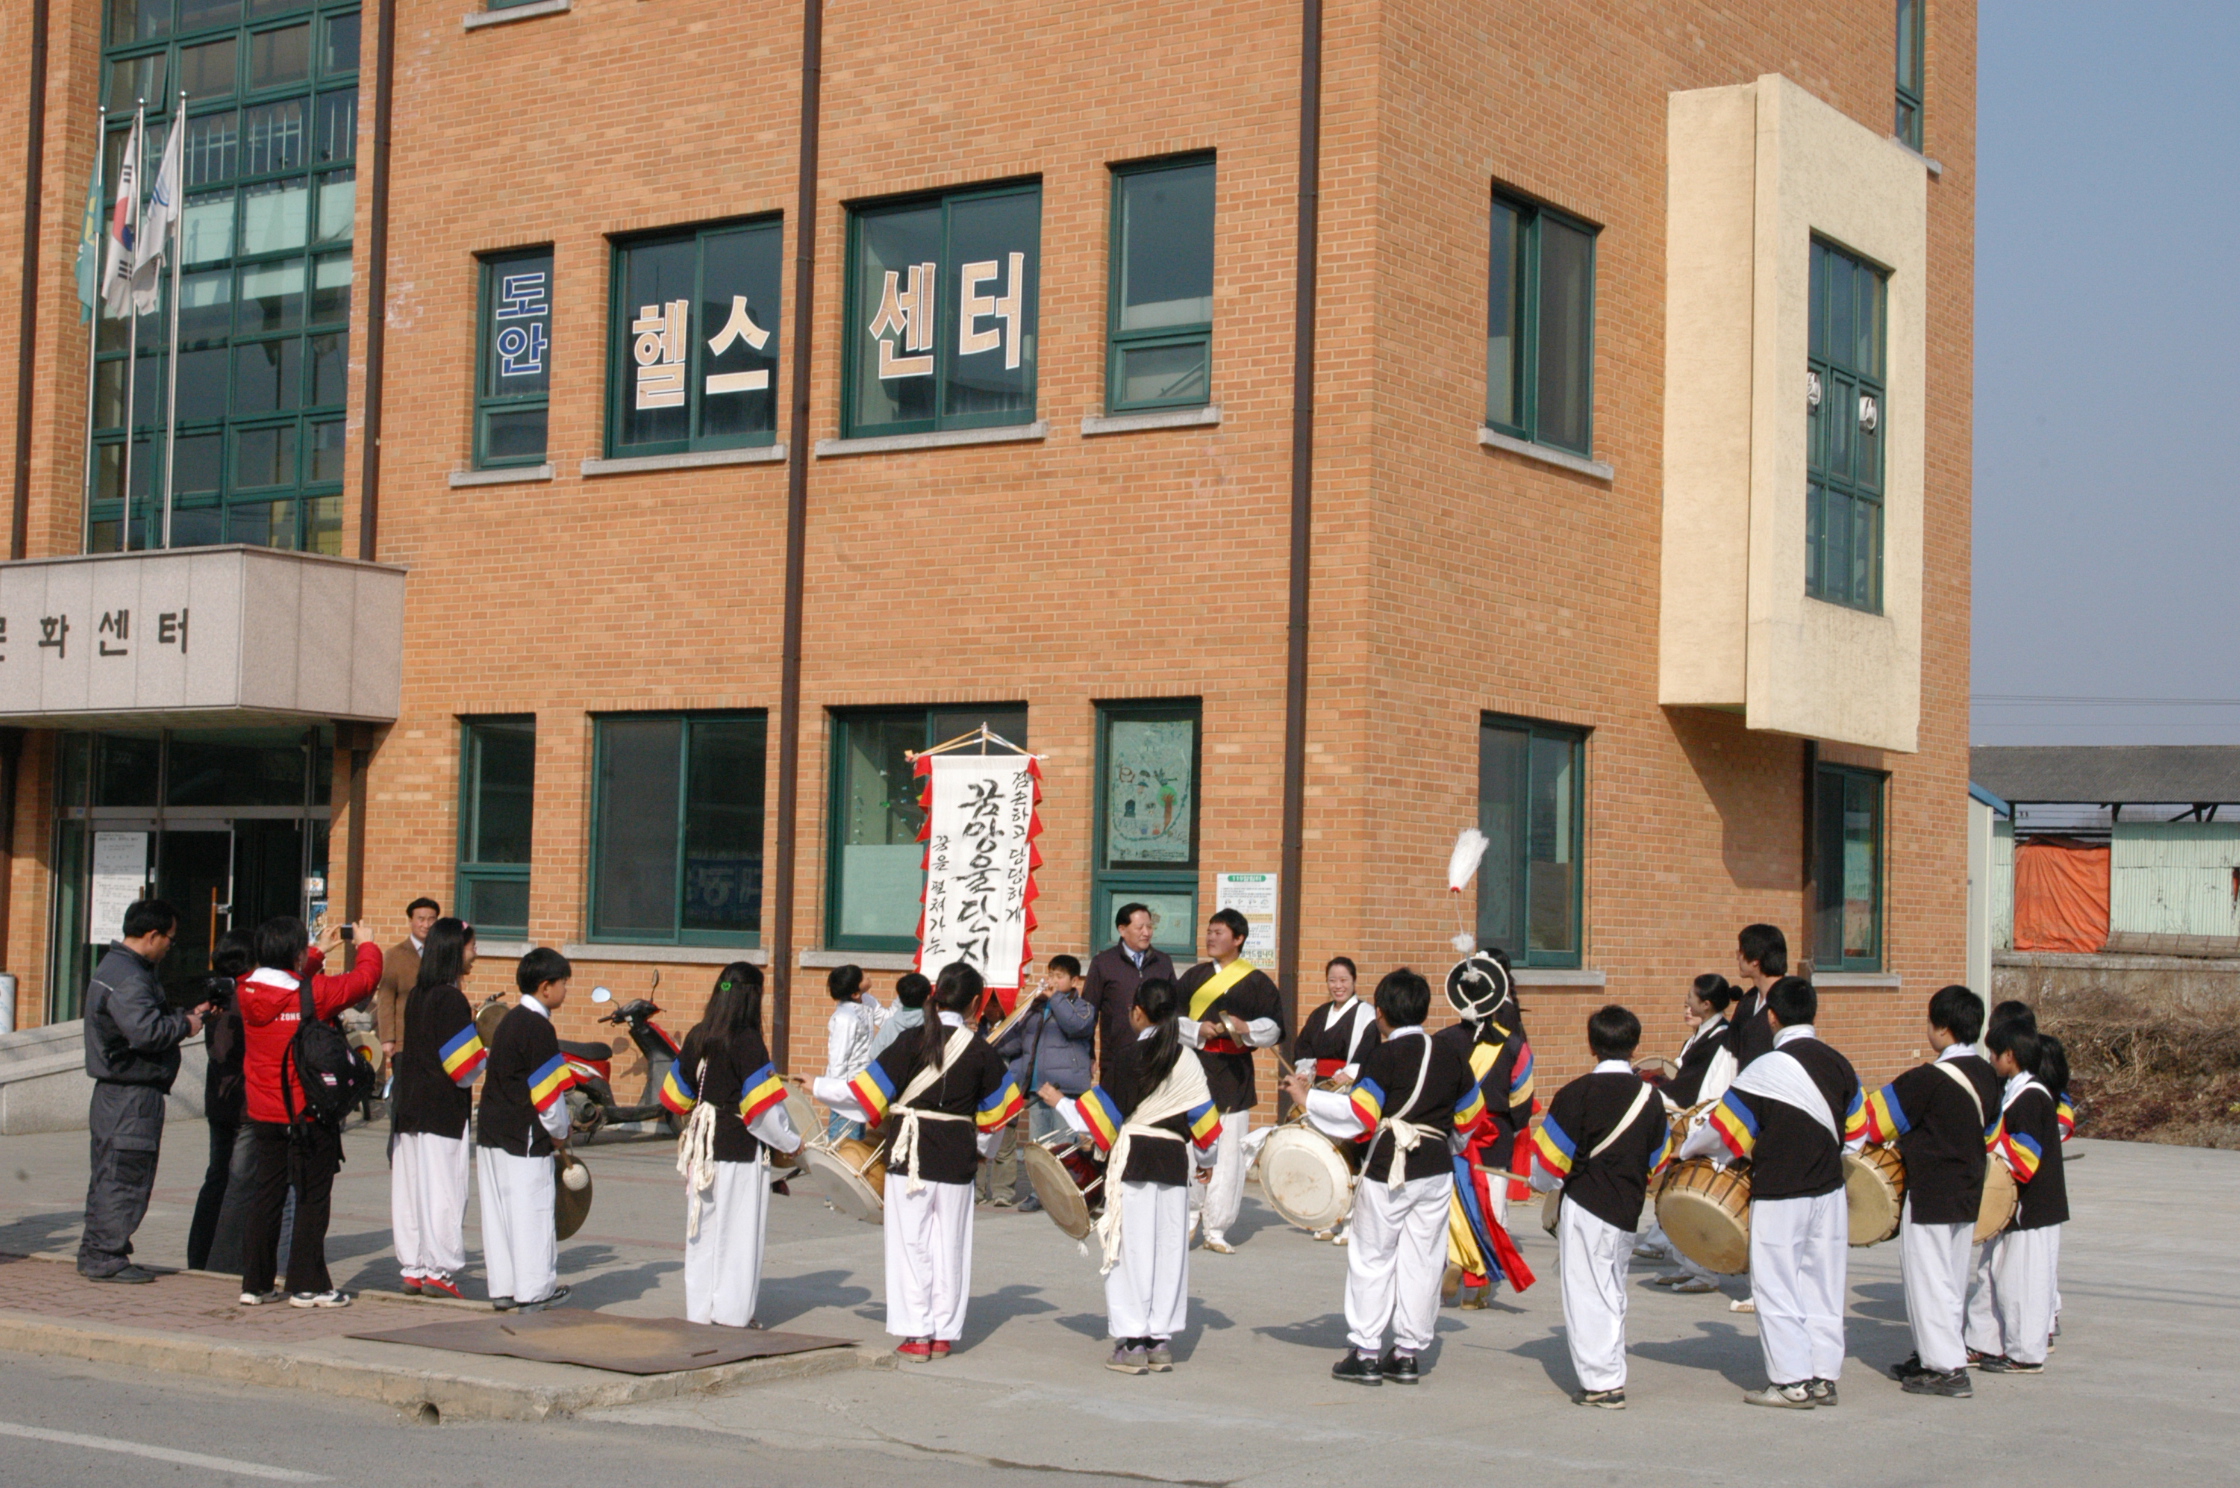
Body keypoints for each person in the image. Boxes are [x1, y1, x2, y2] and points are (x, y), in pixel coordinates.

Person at [812, 961, 1022, 1360]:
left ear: (935, 994)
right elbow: (1002, 1115)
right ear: (976, 1003)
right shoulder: (981, 1051)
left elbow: (866, 1095)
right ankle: (943, 1333)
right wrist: (981, 1151)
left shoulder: (911, 1041)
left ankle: (916, 1334)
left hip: (910, 1152)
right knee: (951, 1245)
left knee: (911, 1243)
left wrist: (819, 1086)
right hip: (958, 1154)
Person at [1282, 967, 1483, 1386]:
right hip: (1435, 1169)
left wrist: (1309, 1098)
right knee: (1423, 1261)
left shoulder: (1384, 1054)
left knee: (1373, 1257)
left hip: (1390, 1167)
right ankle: (1408, 1353)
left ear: (1383, 1014)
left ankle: (1367, 1351)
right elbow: (1471, 1116)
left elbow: (1360, 1115)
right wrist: (1451, 1143)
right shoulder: (1450, 1053)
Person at [1680, 975, 1864, 1409]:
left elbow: (1724, 1134)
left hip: (1782, 1192)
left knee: (1776, 1283)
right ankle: (1822, 1376)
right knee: (1823, 1283)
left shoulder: (1764, 1068)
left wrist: (1686, 1147)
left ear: (1773, 1017)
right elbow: (1858, 1134)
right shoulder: (1840, 1064)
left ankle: (1789, 1381)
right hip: (1830, 1192)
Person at [1040, 976, 1220, 1374]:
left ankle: (1132, 1342)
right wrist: (1207, 1160)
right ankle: (1160, 1341)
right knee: (1169, 1248)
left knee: (1128, 1248)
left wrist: (1060, 1103)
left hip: (1133, 1158)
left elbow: (1099, 1122)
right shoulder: (1189, 1059)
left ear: (1138, 1012)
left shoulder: (1124, 1057)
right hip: (1174, 1160)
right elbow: (1206, 1125)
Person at [1862, 984, 2004, 1398]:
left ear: (1940, 1028)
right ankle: (1935, 1354)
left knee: (1927, 1278)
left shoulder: (1926, 1079)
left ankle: (1946, 1368)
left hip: (1930, 1190)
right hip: (1969, 1187)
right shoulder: (1986, 1075)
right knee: (1951, 1277)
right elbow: (1991, 1130)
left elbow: (1875, 1123)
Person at [1530, 1005, 1673, 1409]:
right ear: (1634, 1045)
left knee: (1587, 1292)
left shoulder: (1575, 1094)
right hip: (1628, 1207)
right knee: (1612, 1289)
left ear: (1592, 1045)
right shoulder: (1652, 1096)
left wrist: (1539, 1183)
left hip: (1587, 1204)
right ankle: (1610, 1369)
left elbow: (1549, 1167)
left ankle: (1602, 1382)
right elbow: (1659, 1160)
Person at [237, 917, 383, 1308]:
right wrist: (366, 945)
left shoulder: (246, 988)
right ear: (295, 953)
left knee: (266, 1195)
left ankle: (256, 1284)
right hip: (306, 1113)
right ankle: (307, 1285)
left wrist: (318, 952)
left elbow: (290, 986)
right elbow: (364, 982)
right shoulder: (314, 995)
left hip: (264, 1112)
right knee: (312, 1196)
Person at [666, 962, 802, 1328]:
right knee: (738, 1234)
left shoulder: (698, 1034)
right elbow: (763, 1112)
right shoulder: (747, 1040)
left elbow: (673, 1095)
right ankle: (731, 1315)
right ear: (752, 997)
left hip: (701, 1148)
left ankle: (700, 1312)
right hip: (739, 1149)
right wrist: (792, 1144)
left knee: (702, 1231)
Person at [77, 899, 204, 1283]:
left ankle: (100, 1249)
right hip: (130, 1094)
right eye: (170, 939)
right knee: (124, 1174)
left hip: (119, 1093)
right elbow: (145, 1031)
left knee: (111, 1173)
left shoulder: (119, 967)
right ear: (152, 935)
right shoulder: (129, 976)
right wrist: (185, 1025)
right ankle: (105, 1255)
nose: (170, 946)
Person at [1176, 908, 1285, 1254]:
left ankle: (1217, 1227)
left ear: (1238, 939)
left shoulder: (1257, 982)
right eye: (1209, 931)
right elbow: (1168, 1020)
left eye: (1219, 932)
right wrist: (1197, 1030)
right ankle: (1188, 1213)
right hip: (1194, 1070)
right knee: (1189, 1145)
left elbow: (1275, 1028)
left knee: (1228, 1152)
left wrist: (1247, 1027)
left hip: (1234, 1074)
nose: (1211, 938)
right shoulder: (1192, 977)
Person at [1964, 1022, 2068, 1375]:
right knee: (1993, 1275)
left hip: (2032, 1210)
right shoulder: (2018, 1092)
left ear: (2010, 1056)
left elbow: (2022, 1160)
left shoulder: (2030, 1098)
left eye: (1994, 1053)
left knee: (2022, 1282)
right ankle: (1983, 1343)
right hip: (2014, 1211)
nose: (1990, 1059)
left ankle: (2026, 1353)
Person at [478, 947, 577, 1312]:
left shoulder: (508, 1020)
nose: (566, 989)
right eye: (564, 983)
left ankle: (503, 1288)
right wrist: (560, 1131)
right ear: (546, 986)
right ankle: (536, 1290)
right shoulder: (539, 1028)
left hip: (491, 1132)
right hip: (525, 1135)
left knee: (500, 1215)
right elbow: (549, 1096)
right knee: (533, 1213)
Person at [1434, 948, 1536, 1301]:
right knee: (1493, 1207)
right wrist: (1513, 1126)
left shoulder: (1442, 1042)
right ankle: (1481, 1287)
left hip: (1453, 1134)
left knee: (1455, 1205)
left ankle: (1457, 1259)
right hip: (1495, 1135)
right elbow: (1522, 1100)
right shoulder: (1514, 1046)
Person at [388, 918, 482, 1300]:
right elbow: (464, 1068)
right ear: (454, 950)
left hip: (408, 1106)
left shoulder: (418, 995)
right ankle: (440, 1270)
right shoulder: (451, 998)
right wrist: (482, 1047)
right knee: (443, 1188)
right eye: (471, 947)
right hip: (441, 1108)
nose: (476, 954)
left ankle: (414, 1266)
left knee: (411, 1189)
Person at [1641, 973, 1738, 1292]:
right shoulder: (1701, 1036)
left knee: (1692, 1194)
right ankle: (1687, 1264)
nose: (1686, 1005)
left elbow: (1709, 1087)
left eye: (1691, 1001)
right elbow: (1681, 1075)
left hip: (1704, 1124)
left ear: (1707, 1004)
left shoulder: (1723, 1039)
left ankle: (1704, 1272)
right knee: (1678, 1191)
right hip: (1690, 1121)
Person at [995, 955, 1097, 1212]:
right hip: (1038, 1086)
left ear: (1074, 981)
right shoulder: (1037, 1008)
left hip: (1067, 1088)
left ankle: (1066, 1194)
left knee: (1065, 1145)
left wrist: (1056, 999)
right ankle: (1038, 1193)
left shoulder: (1083, 1007)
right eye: (1050, 975)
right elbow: (1017, 1042)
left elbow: (1076, 1027)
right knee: (1039, 1145)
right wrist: (997, 1035)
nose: (1052, 981)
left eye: (1059, 976)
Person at [186, 930, 255, 1271]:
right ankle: (222, 1261)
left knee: (218, 1177)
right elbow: (225, 1049)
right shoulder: (241, 999)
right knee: (236, 1181)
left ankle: (201, 1254)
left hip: (221, 1102)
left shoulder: (216, 994)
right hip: (241, 1106)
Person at [1083, 904, 1178, 1088]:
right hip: (1117, 1059)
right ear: (1122, 929)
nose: (1146, 932)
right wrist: (1088, 1053)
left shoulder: (1163, 962)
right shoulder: (1103, 963)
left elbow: (1176, 1009)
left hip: (1158, 1058)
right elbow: (1088, 1011)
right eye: (1139, 927)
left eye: (1149, 927)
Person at [373, 897, 441, 1070]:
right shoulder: (395, 954)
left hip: (437, 1039)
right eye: (421, 919)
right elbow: (386, 998)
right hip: (405, 1039)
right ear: (411, 921)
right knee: (405, 1092)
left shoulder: (441, 954)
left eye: (431, 919)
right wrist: (388, 1038)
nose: (426, 924)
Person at [1293, 956, 1380, 1081]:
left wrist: (1349, 1074)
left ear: (1353, 980)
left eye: (1343, 980)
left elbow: (1369, 1052)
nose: (1338, 986)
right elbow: (1304, 1046)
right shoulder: (1319, 1014)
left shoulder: (1367, 1014)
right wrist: (1304, 1072)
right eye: (1332, 980)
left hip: (1346, 1084)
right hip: (1317, 1085)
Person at [822, 964, 881, 1142]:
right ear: (855, 993)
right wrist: (839, 1093)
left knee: (857, 1137)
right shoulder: (844, 1018)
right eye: (862, 977)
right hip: (846, 1089)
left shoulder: (866, 1002)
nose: (868, 976)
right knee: (845, 1141)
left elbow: (886, 1017)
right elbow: (838, 1059)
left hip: (860, 1084)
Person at [1725, 924, 1787, 1069]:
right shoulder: (1748, 1001)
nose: (1737, 957)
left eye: (1741, 951)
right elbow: (1730, 1049)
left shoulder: (1789, 999)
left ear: (1755, 960)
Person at [868, 972, 932, 1061]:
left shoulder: (890, 1024)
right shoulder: (934, 1025)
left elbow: (874, 1055)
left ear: (899, 998)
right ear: (928, 997)